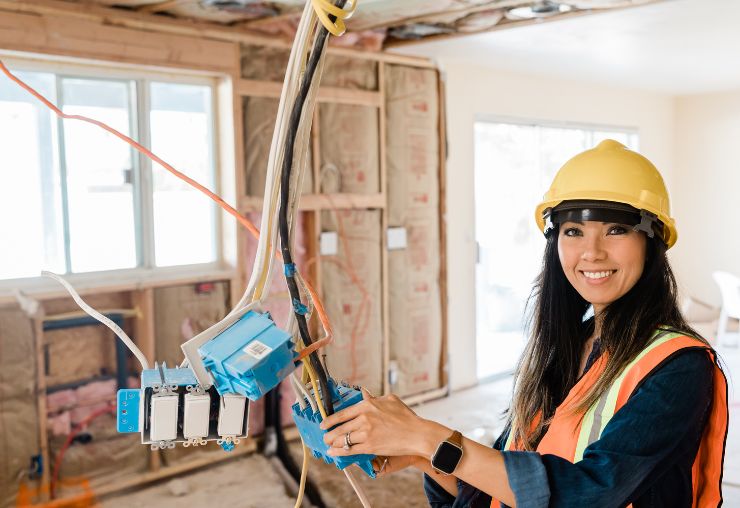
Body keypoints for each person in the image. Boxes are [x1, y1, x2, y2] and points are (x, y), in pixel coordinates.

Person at [318, 139, 728, 507]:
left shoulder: (678, 367)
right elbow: (501, 486)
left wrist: (427, 436)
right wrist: (426, 457)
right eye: (573, 231)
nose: (592, 252)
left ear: (652, 241)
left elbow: (586, 495)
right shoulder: (569, 347)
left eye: (617, 230)